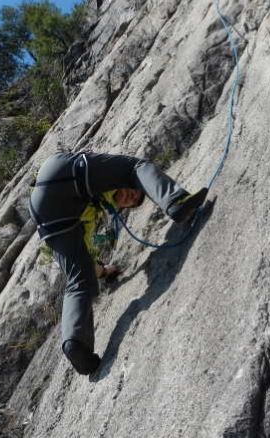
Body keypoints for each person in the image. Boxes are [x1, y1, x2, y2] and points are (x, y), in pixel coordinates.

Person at [28, 151, 207, 375]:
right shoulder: (105, 181)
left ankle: (75, 344)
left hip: (44, 211)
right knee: (136, 166)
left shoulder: (91, 210)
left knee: (79, 281)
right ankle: (175, 200)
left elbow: (86, 252)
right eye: (133, 192)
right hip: (62, 173)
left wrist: (103, 272)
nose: (129, 197)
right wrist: (131, 179)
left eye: (132, 201)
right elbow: (129, 171)